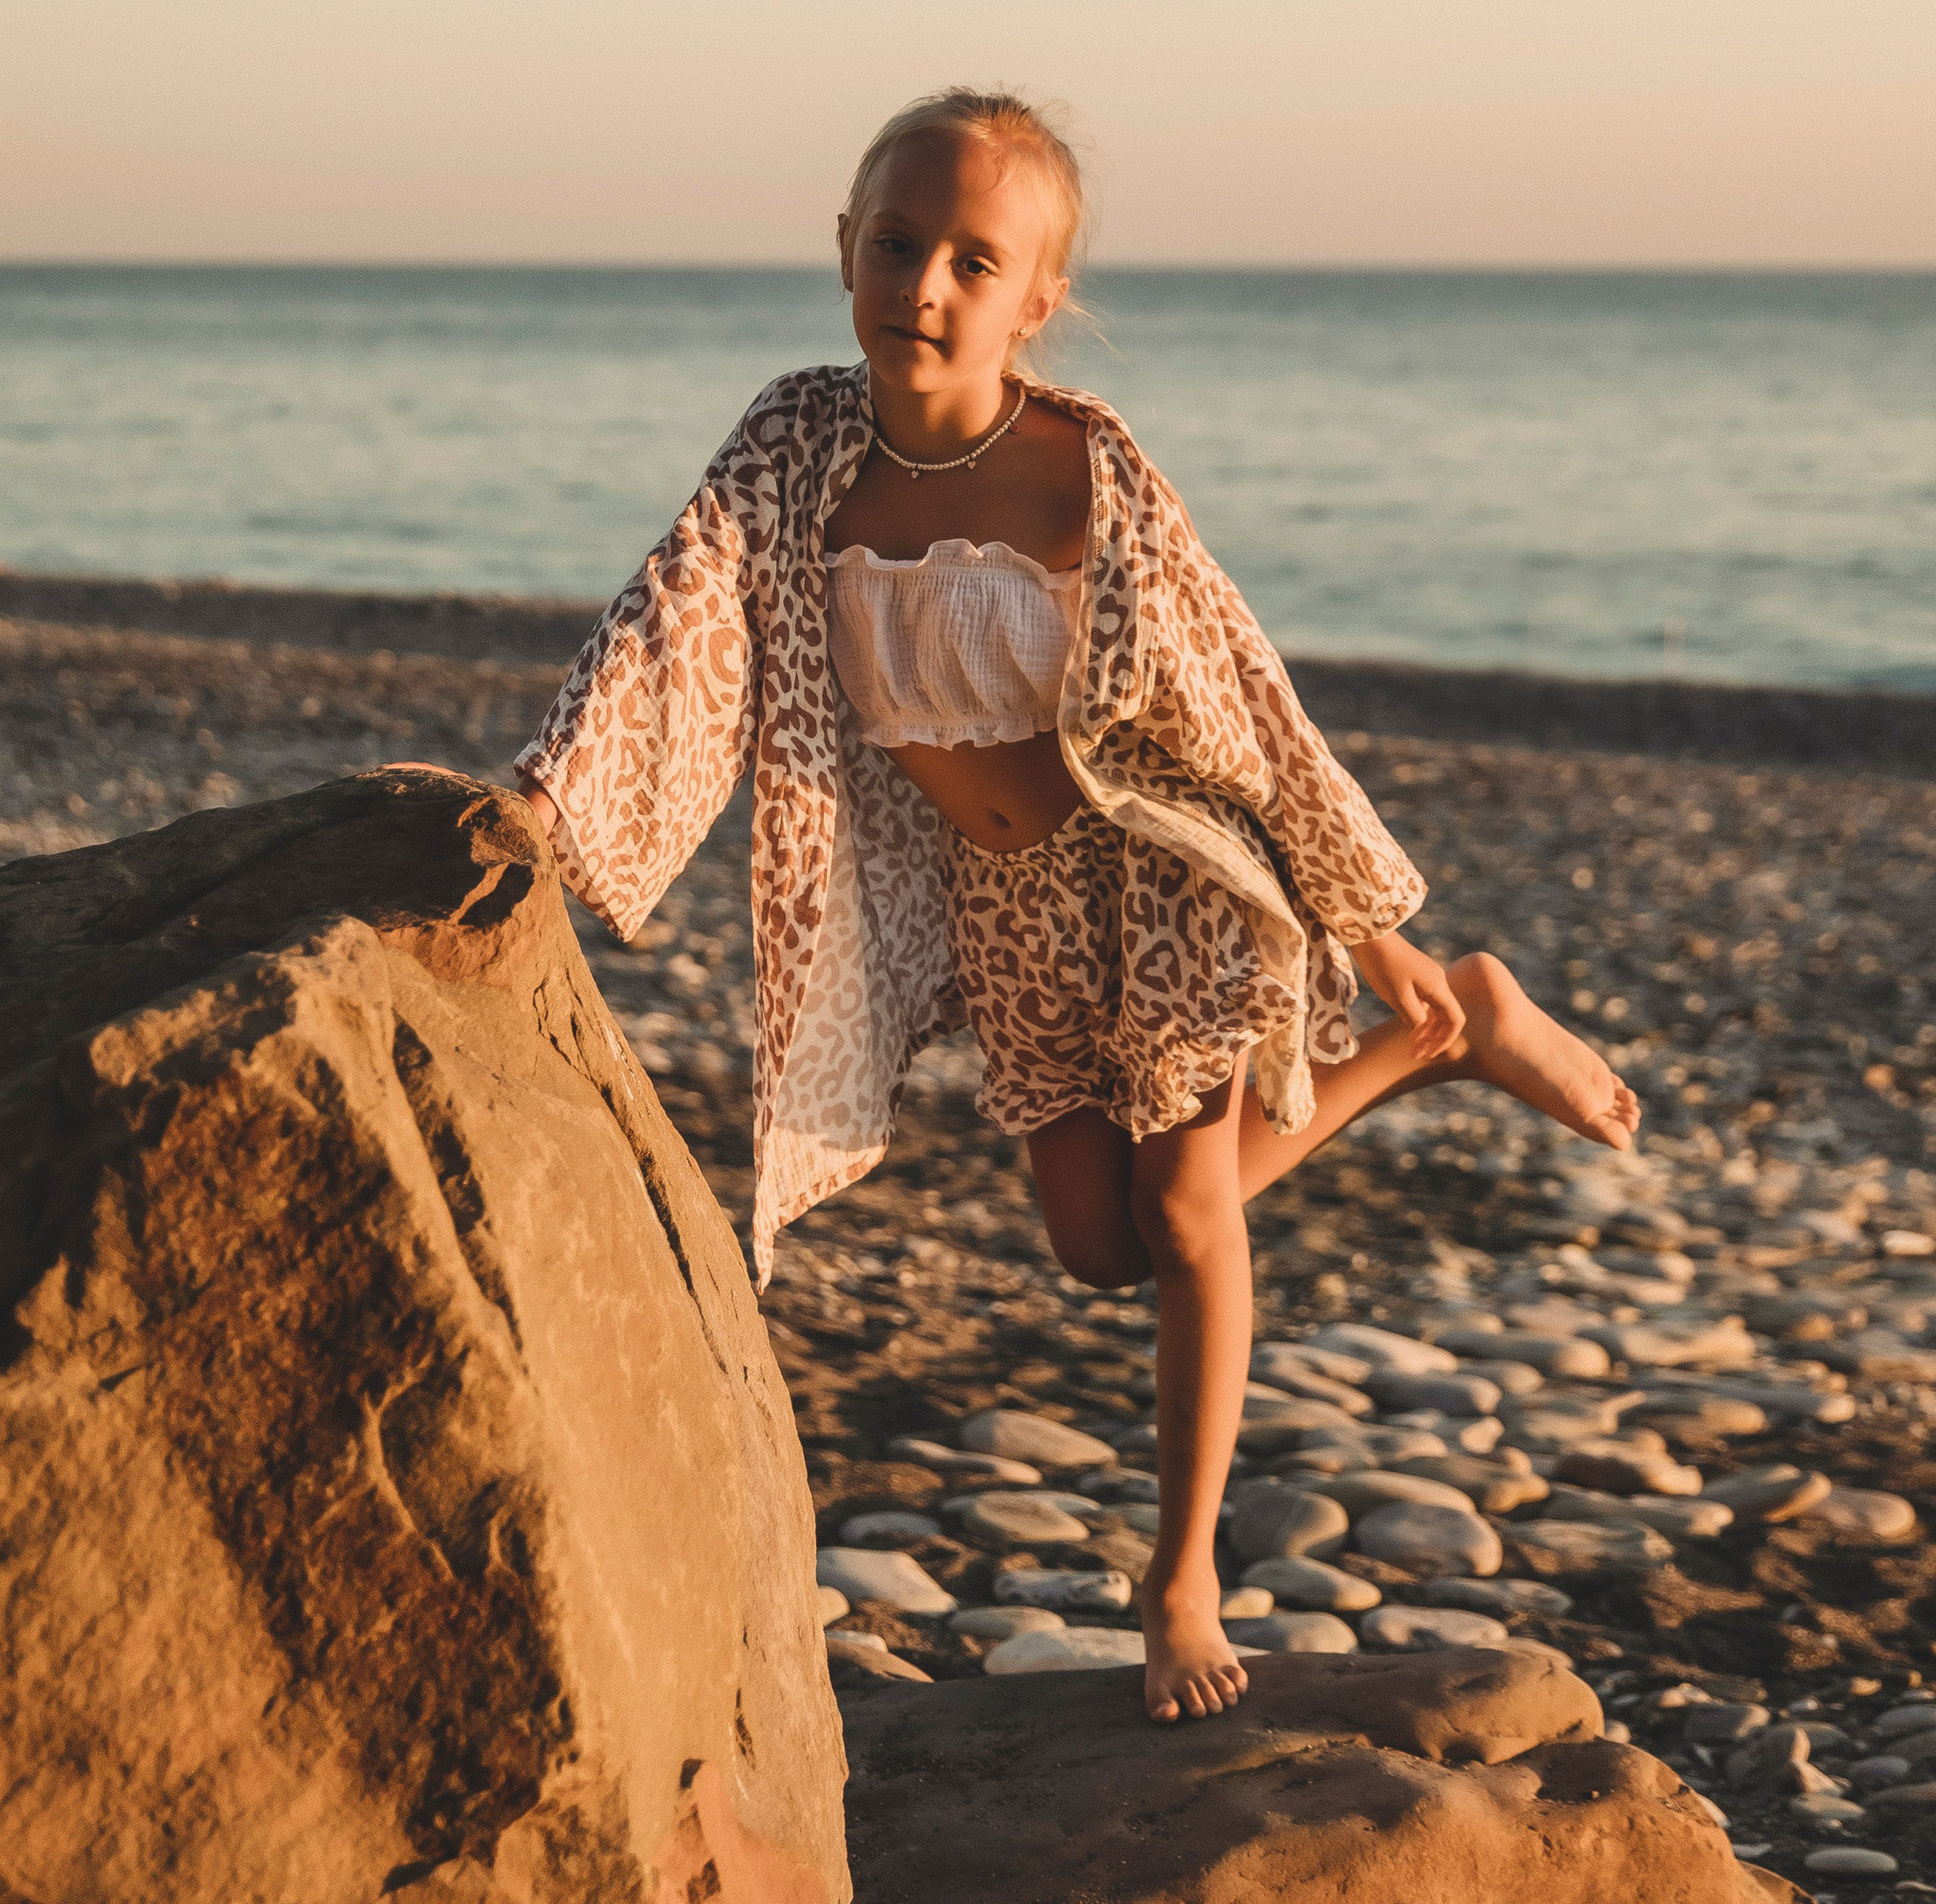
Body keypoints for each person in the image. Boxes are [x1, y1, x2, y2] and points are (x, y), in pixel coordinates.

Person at [514, 86, 1640, 1725]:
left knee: (1190, 1222)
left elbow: (1240, 696)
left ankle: (1178, 1577)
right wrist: (547, 797)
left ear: (1034, 301)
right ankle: (1439, 1039)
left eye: (975, 261)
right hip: (1010, 912)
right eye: (896, 245)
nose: (925, 285)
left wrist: (1358, 919)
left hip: (1165, 879)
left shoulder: (1079, 468)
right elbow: (673, 615)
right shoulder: (791, 447)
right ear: (841, 250)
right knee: (1097, 1249)